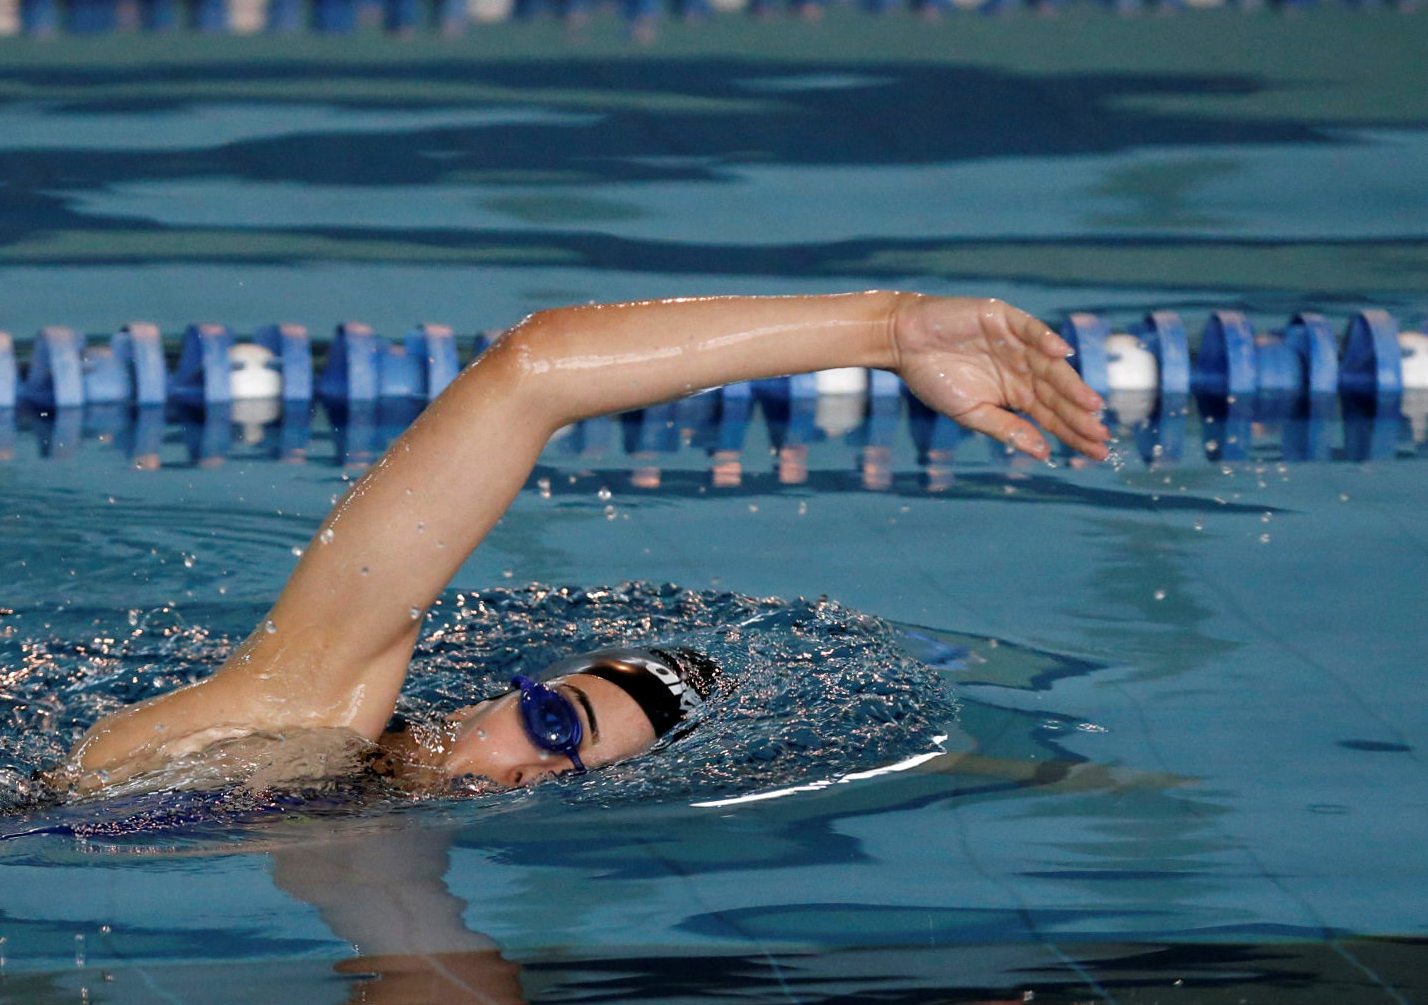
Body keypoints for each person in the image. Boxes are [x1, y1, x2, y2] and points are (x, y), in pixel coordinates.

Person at [64, 290, 1107, 795]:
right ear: (486, 694)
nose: (532, 772)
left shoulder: (341, 823)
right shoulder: (302, 707)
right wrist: (883, 331)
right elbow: (531, 371)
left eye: (577, 767)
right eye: (554, 722)